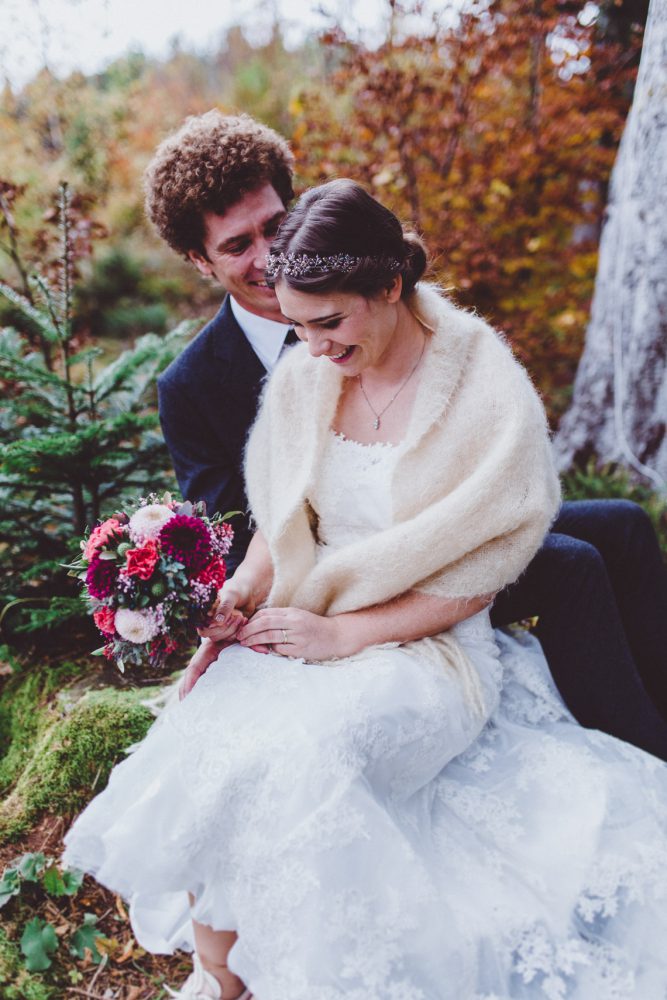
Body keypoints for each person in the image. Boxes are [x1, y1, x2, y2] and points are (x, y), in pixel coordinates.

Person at [64, 180, 667, 999]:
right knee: (203, 738)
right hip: (308, 611)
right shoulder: (307, 378)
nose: (309, 347)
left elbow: (483, 570)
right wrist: (238, 598)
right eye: (298, 325)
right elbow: (283, 523)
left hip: (424, 643)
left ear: (388, 285)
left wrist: (347, 637)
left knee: (309, 752)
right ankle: (222, 977)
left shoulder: (484, 389)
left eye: (328, 323)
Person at [149, 110, 667, 759]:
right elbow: (238, 530)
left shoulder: (385, 304)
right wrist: (238, 600)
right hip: (346, 562)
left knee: (620, 524)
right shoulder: (193, 386)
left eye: (274, 228)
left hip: (430, 517)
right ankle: (643, 748)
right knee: (568, 563)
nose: (264, 257)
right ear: (200, 260)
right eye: (235, 245)